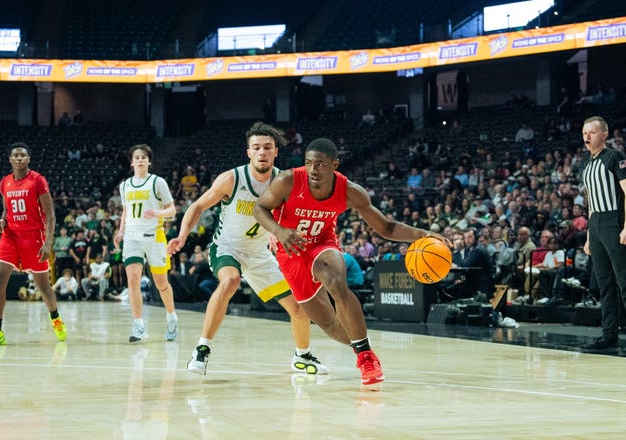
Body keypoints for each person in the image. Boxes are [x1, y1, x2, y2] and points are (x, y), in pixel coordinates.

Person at [253, 137, 449, 386]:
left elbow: (386, 227)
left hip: (323, 244)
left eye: (321, 164)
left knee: (335, 280)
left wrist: (420, 234)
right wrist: (279, 231)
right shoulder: (288, 180)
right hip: (291, 251)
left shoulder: (350, 191)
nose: (313, 170)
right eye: (309, 163)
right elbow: (260, 208)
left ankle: (366, 357)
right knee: (326, 322)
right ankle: (359, 348)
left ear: (335, 164)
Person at [167, 121, 329, 376]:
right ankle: (202, 350)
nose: (262, 152)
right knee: (230, 280)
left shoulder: (285, 181)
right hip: (227, 247)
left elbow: (295, 216)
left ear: (276, 151)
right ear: (248, 152)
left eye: (267, 147)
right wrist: (182, 236)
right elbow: (197, 206)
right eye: (257, 147)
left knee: (299, 307)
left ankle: (302, 356)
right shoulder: (231, 178)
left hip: (259, 254)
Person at [0, 142, 67, 346]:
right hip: (10, 236)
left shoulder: (37, 180)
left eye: (23, 156)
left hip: (33, 237)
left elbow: (51, 215)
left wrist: (48, 243)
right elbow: (6, 210)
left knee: (43, 286)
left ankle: (55, 318)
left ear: (28, 159)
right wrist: (2, 221)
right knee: (0, 277)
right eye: (15, 156)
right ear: (10, 159)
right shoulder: (5, 182)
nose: (19, 158)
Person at [114, 144, 179, 343]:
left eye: (144, 157)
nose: (140, 160)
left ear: (149, 161)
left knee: (161, 283)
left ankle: (171, 316)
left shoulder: (157, 182)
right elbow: (125, 211)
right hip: (132, 237)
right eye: (137, 157)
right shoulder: (125, 185)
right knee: (132, 280)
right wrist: (121, 231)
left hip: (154, 236)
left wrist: (159, 213)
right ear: (132, 162)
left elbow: (172, 210)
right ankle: (138, 324)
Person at [578, 116, 626, 355]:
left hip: (614, 221)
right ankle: (609, 336)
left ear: (604, 135)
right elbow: (590, 204)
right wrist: (589, 236)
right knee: (605, 284)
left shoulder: (615, 157)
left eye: (592, 132)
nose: (587, 136)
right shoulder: (587, 164)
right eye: (585, 132)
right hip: (597, 223)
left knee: (625, 283)